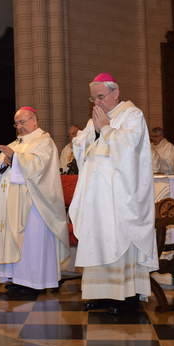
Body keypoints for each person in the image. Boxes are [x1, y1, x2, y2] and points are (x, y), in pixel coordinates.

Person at [69, 73, 157, 314]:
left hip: (119, 195)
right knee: (96, 238)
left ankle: (124, 295)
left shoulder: (132, 115)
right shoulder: (95, 119)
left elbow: (129, 149)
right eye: (93, 98)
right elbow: (82, 146)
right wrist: (94, 132)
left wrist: (105, 129)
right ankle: (100, 293)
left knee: (117, 238)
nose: (96, 103)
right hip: (96, 195)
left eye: (100, 97)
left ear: (115, 93)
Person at [0, 107, 70, 293]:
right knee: (17, 240)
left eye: (22, 122)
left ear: (34, 120)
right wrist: (5, 161)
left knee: (31, 240)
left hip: (35, 204)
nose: (19, 127)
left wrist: (15, 158)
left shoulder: (44, 141)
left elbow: (38, 166)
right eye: (16, 123)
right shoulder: (16, 143)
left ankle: (33, 281)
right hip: (14, 204)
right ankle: (17, 279)